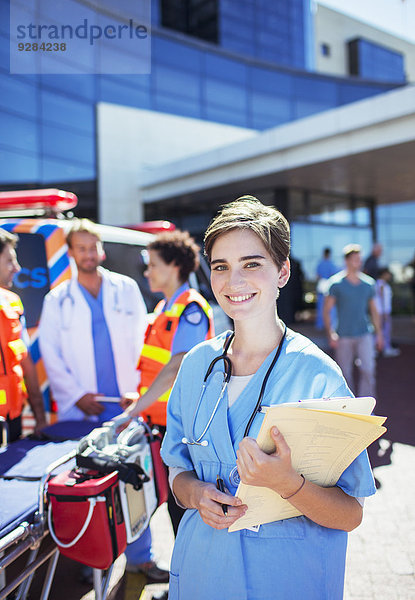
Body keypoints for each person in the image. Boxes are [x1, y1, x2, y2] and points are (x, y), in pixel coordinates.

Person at [160, 197, 375, 600]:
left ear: (283, 272)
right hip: (203, 575)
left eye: (252, 264)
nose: (232, 281)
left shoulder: (318, 376)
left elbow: (350, 514)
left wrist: (288, 484)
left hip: (288, 581)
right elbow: (177, 471)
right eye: (221, 266)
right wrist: (195, 495)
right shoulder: (196, 367)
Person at [38, 219, 168, 583]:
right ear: (71, 253)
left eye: (92, 247)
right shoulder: (58, 300)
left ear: (101, 250)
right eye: (81, 248)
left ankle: (143, 558)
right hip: (84, 409)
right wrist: (77, 396)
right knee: (93, 487)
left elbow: (146, 341)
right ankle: (97, 559)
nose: (88, 254)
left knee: (136, 481)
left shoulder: (124, 288)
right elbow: (50, 353)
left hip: (127, 405)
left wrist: (140, 389)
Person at [121, 230, 215, 536]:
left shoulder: (190, 308)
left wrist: (136, 407)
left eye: (153, 265)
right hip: (164, 426)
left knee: (184, 513)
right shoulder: (165, 307)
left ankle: (191, 582)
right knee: (174, 507)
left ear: (174, 266)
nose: (147, 272)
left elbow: (177, 366)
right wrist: (139, 401)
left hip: (182, 429)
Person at [0, 230, 47, 442]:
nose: (17, 268)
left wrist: (39, 416)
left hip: (12, 419)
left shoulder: (12, 303)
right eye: (9, 261)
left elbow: (25, 359)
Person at [324, 244, 383, 397]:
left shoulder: (368, 284)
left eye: (360, 259)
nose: (359, 262)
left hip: (364, 334)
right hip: (343, 335)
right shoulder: (335, 284)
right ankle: (350, 410)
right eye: (355, 259)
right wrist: (330, 334)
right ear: (347, 261)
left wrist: (380, 334)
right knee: (345, 374)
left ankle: (368, 409)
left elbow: (374, 311)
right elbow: (326, 311)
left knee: (368, 369)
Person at [375, 267, 400, 357]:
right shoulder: (380, 284)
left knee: (382, 331)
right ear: (384, 274)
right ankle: (384, 349)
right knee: (383, 331)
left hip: (383, 312)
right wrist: (384, 313)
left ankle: (380, 349)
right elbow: (381, 299)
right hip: (382, 312)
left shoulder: (381, 284)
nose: (389, 276)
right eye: (388, 274)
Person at [315, 247, 338, 329]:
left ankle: (321, 325)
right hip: (328, 287)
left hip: (321, 287)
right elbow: (335, 275)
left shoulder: (320, 264)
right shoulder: (331, 264)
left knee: (321, 306)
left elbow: (317, 276)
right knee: (330, 307)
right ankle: (329, 324)